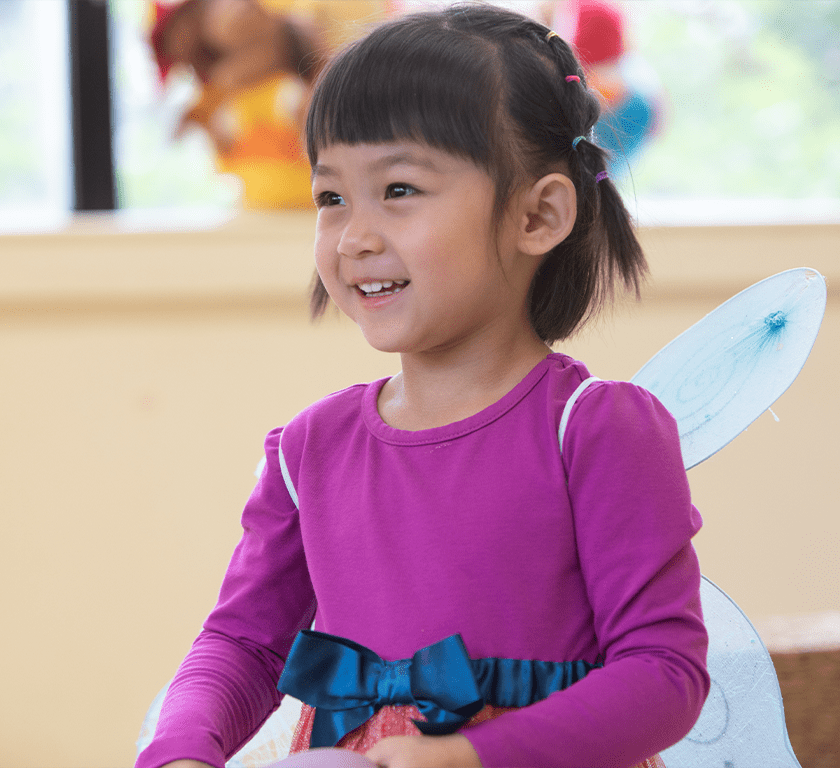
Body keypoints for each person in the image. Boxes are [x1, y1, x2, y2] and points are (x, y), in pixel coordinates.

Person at [135, 5, 709, 768]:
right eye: (332, 197)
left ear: (538, 215)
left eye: (399, 189)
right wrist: (181, 751)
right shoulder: (309, 449)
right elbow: (241, 644)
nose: (356, 235)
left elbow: (664, 676)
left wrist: (472, 755)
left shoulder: (595, 430)